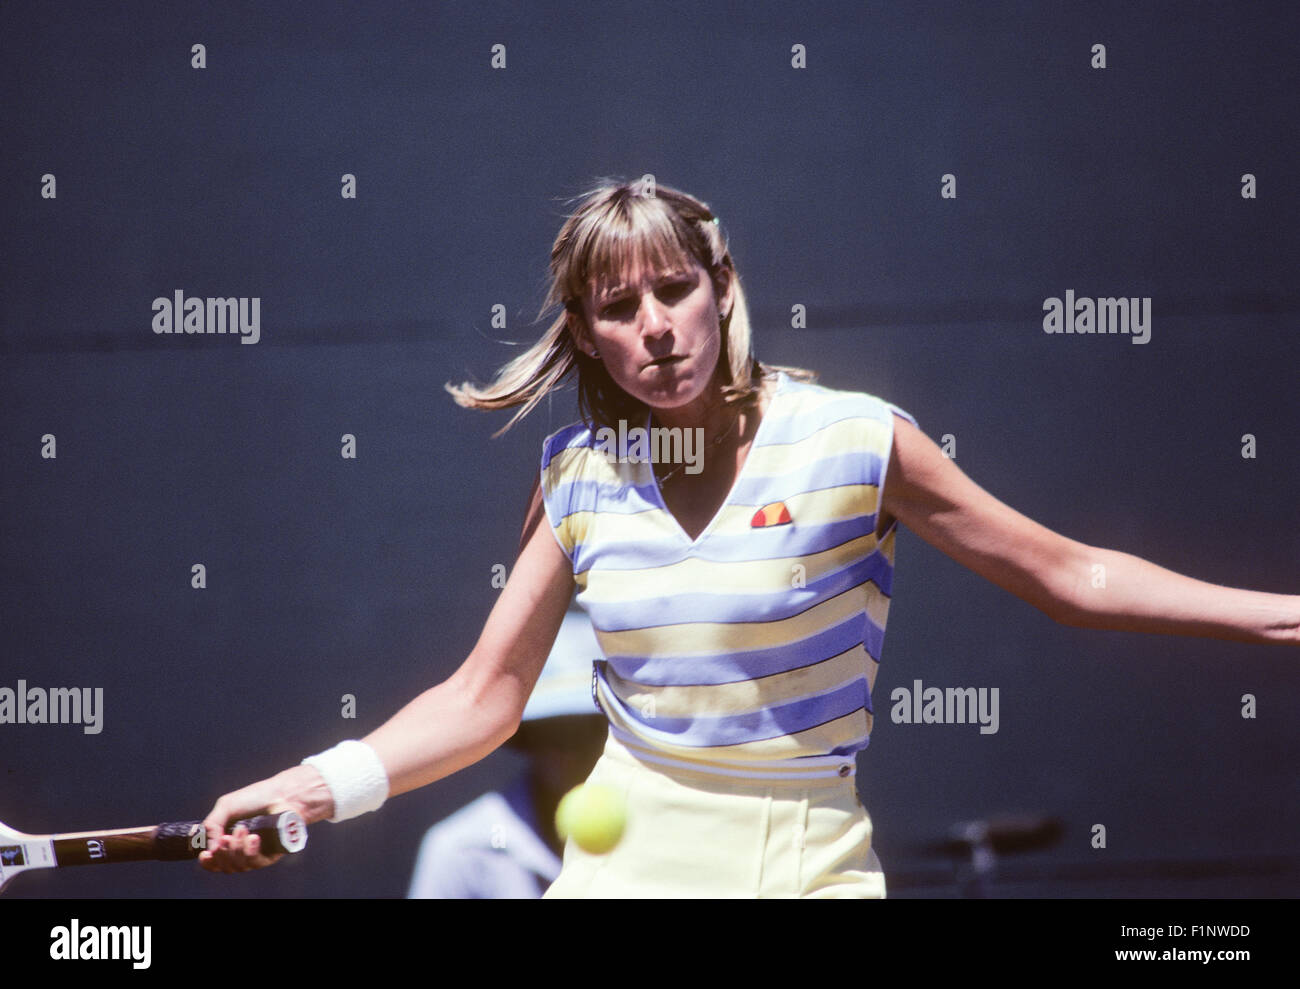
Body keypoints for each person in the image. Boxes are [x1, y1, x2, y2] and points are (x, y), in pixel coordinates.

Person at [200, 180, 1298, 897]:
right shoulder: (577, 475)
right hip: (622, 866)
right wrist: (313, 782)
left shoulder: (857, 440)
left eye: (676, 290)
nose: (657, 328)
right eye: (619, 310)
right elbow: (483, 696)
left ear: (721, 290)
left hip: (812, 864)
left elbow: (1069, 574)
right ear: (586, 331)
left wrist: (1282, 614)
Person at [406, 605, 607, 898]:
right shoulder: (459, 850)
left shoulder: (662, 838)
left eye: (585, 728)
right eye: (553, 729)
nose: (569, 749)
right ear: (530, 737)